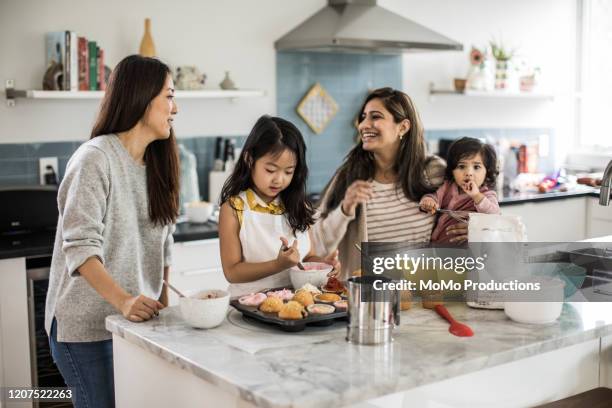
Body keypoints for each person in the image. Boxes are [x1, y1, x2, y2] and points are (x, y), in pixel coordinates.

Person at [44, 55, 179, 408]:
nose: (175, 107)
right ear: (142, 96)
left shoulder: (158, 165)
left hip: (135, 324)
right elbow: (81, 247)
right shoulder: (95, 159)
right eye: (169, 95)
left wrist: (163, 307)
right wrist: (123, 301)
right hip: (86, 330)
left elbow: (165, 243)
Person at [311, 87, 468, 278]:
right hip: (369, 298)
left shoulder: (434, 171)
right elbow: (318, 244)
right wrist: (345, 209)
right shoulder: (349, 176)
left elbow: (467, 212)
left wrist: (471, 227)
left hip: (422, 295)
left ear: (403, 127)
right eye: (363, 117)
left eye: (375, 117)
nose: (363, 125)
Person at [218, 115, 338, 296]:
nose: (279, 180)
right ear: (250, 160)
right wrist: (278, 265)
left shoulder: (299, 205)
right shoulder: (234, 209)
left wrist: (324, 264)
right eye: (270, 170)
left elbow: (307, 257)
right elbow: (232, 272)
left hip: (296, 303)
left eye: (288, 172)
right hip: (248, 307)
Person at [420, 137, 500, 243]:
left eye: (476, 167)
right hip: (439, 247)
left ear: (487, 172)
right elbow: (435, 197)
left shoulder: (486, 195)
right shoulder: (448, 187)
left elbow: (495, 217)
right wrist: (429, 201)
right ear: (452, 170)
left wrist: (476, 196)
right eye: (461, 166)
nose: (468, 173)